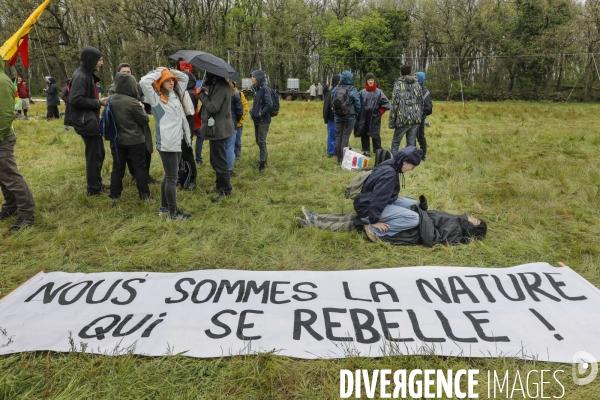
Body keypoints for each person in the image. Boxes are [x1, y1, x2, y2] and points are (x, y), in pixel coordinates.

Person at [295, 205, 487, 247]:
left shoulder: (455, 230)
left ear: (472, 229)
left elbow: (432, 238)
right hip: (407, 220)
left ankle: (314, 225)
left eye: (475, 221)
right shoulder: (455, 220)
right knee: (361, 215)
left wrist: (419, 214)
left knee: (357, 223)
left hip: (403, 230)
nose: (471, 216)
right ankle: (318, 217)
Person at [140, 67, 192, 220]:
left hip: (177, 140)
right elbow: (144, 81)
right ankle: (173, 213)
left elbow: (185, 78)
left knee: (170, 175)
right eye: (167, 80)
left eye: (171, 80)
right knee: (171, 178)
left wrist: (169, 71)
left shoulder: (176, 94)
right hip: (167, 142)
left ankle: (164, 208)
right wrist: (159, 73)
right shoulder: (155, 98)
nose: (170, 82)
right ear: (160, 83)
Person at [108, 62, 157, 185]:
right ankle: (136, 176)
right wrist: (134, 104)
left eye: (128, 72)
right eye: (123, 72)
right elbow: (115, 103)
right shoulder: (113, 88)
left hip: (140, 122)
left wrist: (142, 105)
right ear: (119, 74)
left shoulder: (137, 85)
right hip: (126, 125)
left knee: (146, 150)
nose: (126, 74)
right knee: (130, 154)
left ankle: (146, 175)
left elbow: (144, 98)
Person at [0, 61, 35, 231]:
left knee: (10, 175)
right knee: (2, 177)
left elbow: (6, 115)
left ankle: (27, 212)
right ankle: (10, 207)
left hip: (2, 138)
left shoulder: (2, 81)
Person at [69, 47, 107, 196]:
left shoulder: (87, 74)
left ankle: (96, 184)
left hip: (91, 119)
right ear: (92, 60)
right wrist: (99, 102)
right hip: (86, 121)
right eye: (100, 60)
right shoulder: (80, 76)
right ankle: (93, 190)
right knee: (94, 155)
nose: (102, 63)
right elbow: (75, 99)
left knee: (99, 153)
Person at [198, 72, 234, 202]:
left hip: (219, 129)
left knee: (219, 161)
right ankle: (220, 186)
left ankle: (226, 191)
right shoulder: (217, 84)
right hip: (216, 128)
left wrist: (201, 94)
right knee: (215, 160)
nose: (206, 75)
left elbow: (213, 107)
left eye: (208, 73)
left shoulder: (221, 86)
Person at [389, 65, 424, 154]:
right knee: (411, 144)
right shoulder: (417, 85)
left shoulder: (398, 85)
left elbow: (394, 104)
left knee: (396, 143)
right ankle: (409, 162)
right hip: (415, 118)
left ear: (400, 73)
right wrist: (419, 116)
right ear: (411, 73)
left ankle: (394, 163)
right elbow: (421, 102)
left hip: (402, 119)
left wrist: (392, 121)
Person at [354, 72, 390, 157]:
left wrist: (380, 113)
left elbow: (386, 103)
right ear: (366, 81)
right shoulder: (362, 92)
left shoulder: (379, 92)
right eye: (369, 80)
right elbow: (357, 104)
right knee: (364, 133)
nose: (370, 81)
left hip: (374, 117)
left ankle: (378, 151)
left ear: (374, 81)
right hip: (364, 116)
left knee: (375, 134)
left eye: (372, 80)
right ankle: (366, 151)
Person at [330, 70, 361, 165]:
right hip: (350, 118)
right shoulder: (353, 90)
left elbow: (332, 102)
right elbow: (358, 104)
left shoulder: (336, 88)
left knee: (338, 136)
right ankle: (343, 158)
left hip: (338, 117)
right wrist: (356, 114)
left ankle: (338, 158)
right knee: (345, 137)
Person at [177, 70, 199, 191]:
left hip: (186, 129)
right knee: (182, 155)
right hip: (183, 129)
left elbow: (188, 113)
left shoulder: (189, 93)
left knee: (187, 154)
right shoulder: (186, 92)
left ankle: (192, 178)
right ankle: (183, 177)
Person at [250, 70, 273, 172]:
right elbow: (257, 104)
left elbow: (269, 104)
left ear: (258, 78)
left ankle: (262, 164)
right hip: (256, 120)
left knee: (261, 142)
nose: (252, 78)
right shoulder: (257, 89)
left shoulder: (264, 88)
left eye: (254, 77)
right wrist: (252, 112)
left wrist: (260, 114)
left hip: (263, 120)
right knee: (258, 141)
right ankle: (263, 159)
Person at [227, 80, 244, 177]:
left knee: (224, 146)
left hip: (222, 123)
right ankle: (229, 169)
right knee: (230, 147)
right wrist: (236, 121)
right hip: (232, 123)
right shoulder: (236, 94)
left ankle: (224, 167)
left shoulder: (219, 93)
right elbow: (239, 111)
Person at [415, 72, 432, 161]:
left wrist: (421, 114)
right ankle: (411, 154)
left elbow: (428, 107)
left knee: (420, 136)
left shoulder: (425, 91)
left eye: (416, 77)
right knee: (411, 136)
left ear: (421, 79)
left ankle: (422, 156)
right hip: (411, 118)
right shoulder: (412, 88)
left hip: (420, 118)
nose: (414, 78)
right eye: (414, 76)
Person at [322, 74, 340, 158]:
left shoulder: (333, 91)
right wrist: (326, 117)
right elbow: (326, 107)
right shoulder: (332, 92)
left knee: (335, 134)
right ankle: (331, 152)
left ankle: (334, 151)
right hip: (332, 117)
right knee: (332, 134)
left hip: (334, 117)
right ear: (338, 81)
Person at [233, 81, 248, 161]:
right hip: (230, 123)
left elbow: (245, 106)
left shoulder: (239, 93)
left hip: (239, 123)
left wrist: (241, 117)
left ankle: (237, 157)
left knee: (237, 141)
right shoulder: (226, 93)